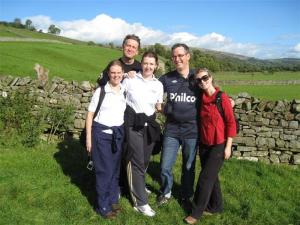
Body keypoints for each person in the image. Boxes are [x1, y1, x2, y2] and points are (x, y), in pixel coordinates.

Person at [184, 68, 237, 224]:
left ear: (211, 77)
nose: (202, 81)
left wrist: (228, 147)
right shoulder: (200, 98)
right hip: (205, 144)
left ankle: (196, 212)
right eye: (199, 80)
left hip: (219, 145)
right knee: (212, 178)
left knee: (205, 179)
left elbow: (231, 123)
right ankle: (216, 206)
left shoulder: (222, 98)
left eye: (205, 78)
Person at [157, 43, 198, 210]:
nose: (177, 59)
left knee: (188, 166)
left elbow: (212, 91)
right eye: (174, 56)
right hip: (172, 130)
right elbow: (150, 88)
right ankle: (165, 192)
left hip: (192, 130)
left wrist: (226, 99)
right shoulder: (166, 78)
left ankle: (186, 195)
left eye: (180, 55)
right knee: (165, 165)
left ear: (188, 56)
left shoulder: (198, 76)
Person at [122, 51, 163, 217]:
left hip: (149, 127)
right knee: (137, 162)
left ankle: (136, 184)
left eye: (151, 64)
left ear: (156, 66)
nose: (148, 66)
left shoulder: (158, 85)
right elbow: (117, 93)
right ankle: (140, 202)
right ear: (141, 64)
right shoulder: (130, 79)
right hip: (132, 125)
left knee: (145, 160)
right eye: (145, 63)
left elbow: (158, 106)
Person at [85, 60, 126, 219]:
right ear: (109, 74)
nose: (116, 75)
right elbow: (89, 115)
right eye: (113, 72)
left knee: (115, 170)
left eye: (119, 72)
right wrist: (89, 138)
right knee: (104, 171)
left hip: (118, 135)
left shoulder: (124, 90)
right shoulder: (101, 91)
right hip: (101, 135)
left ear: (122, 73)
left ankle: (113, 199)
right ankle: (102, 206)